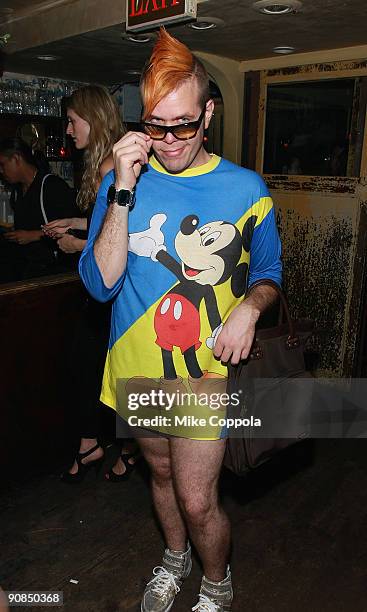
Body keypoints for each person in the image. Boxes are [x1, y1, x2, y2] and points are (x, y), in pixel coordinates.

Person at [79, 29, 282, 611]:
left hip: (201, 375)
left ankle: (216, 581)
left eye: (184, 125)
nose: (167, 141)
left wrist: (250, 306)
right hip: (139, 364)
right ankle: (174, 559)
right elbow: (100, 286)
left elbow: (270, 273)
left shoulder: (246, 188)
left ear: (209, 113)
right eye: (154, 125)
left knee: (197, 499)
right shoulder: (124, 181)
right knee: (161, 479)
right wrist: (120, 189)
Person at [43, 85, 138, 482]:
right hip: (104, 290)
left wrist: (74, 244)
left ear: (93, 120)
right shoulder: (104, 164)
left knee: (99, 371)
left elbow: (125, 240)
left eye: (72, 121)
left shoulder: (108, 169)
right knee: (94, 370)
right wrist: (77, 223)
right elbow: (107, 223)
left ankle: (121, 448)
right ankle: (108, 446)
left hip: (112, 292)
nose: (68, 129)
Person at [0, 137, 78, 282]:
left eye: (2, 164)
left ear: (16, 159)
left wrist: (32, 235)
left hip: (53, 271)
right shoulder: (17, 191)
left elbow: (72, 229)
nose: (1, 170)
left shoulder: (52, 186)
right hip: (27, 267)